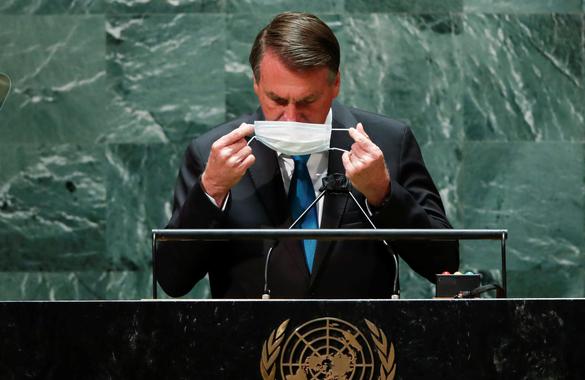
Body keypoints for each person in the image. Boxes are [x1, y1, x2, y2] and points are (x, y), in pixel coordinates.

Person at [157, 12, 459, 299]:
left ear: (335, 85)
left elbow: (443, 263)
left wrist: (383, 193)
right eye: (277, 100)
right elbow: (173, 281)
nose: (291, 118)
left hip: (361, 346)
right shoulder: (212, 152)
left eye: (307, 101)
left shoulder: (388, 142)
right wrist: (211, 191)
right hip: (250, 345)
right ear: (256, 85)